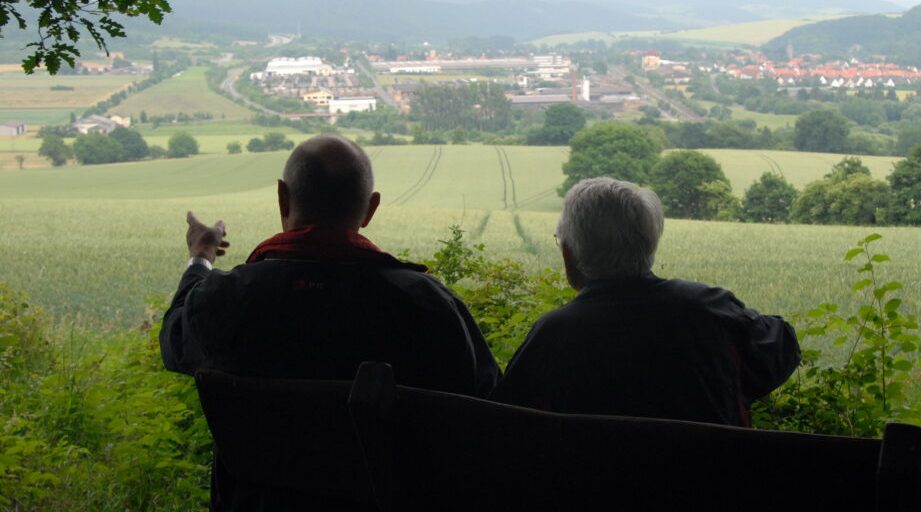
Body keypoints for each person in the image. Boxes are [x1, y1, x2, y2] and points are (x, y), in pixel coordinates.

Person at [160, 135, 499, 509]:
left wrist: (201, 256)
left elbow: (174, 341)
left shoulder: (227, 299)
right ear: (370, 208)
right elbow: (485, 407)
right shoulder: (427, 305)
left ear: (283, 198)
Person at [490, 177, 799, 427]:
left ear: (569, 253)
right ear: (649, 245)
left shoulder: (553, 334)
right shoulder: (705, 308)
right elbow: (782, 346)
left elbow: (505, 423)